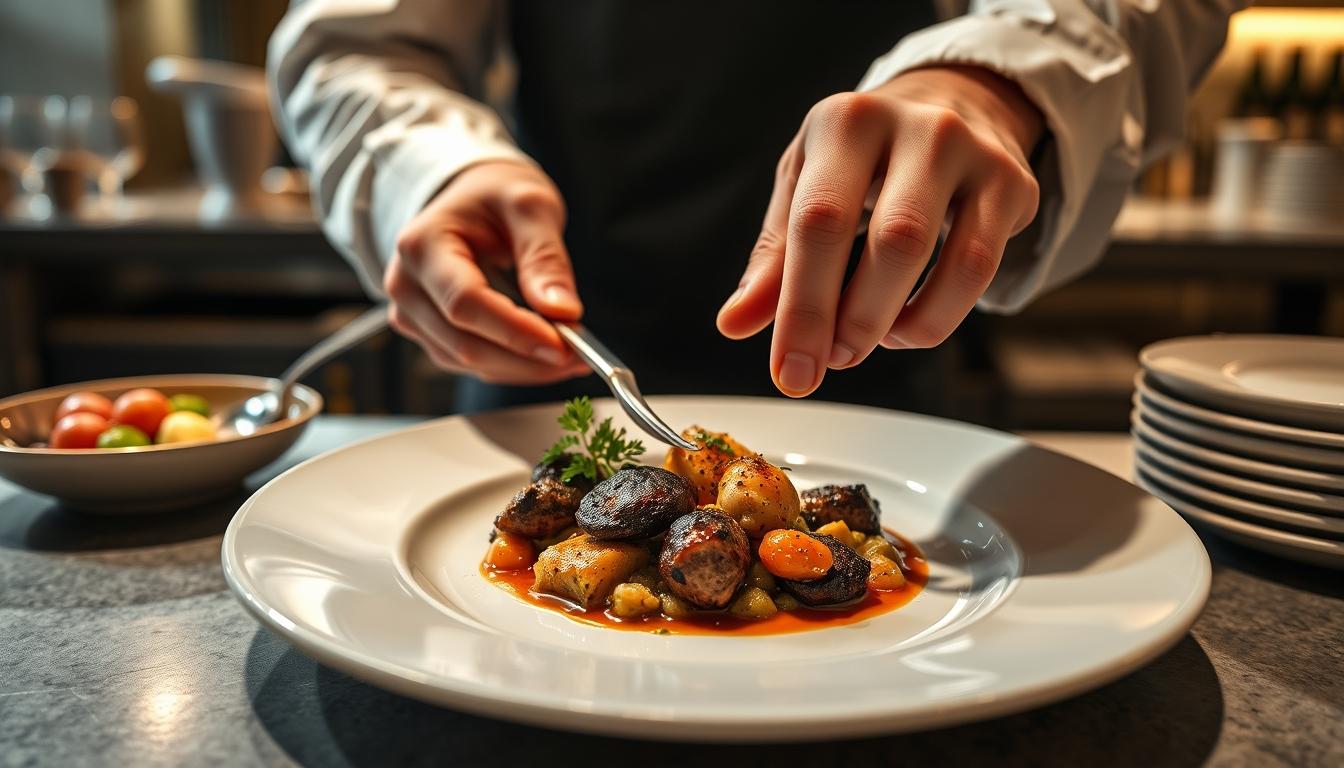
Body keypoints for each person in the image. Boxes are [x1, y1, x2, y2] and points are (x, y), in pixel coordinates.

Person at [270, 0, 1243, 414]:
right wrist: (435, 169)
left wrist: (994, 83)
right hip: (549, 363)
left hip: (892, 378)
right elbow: (357, 42)